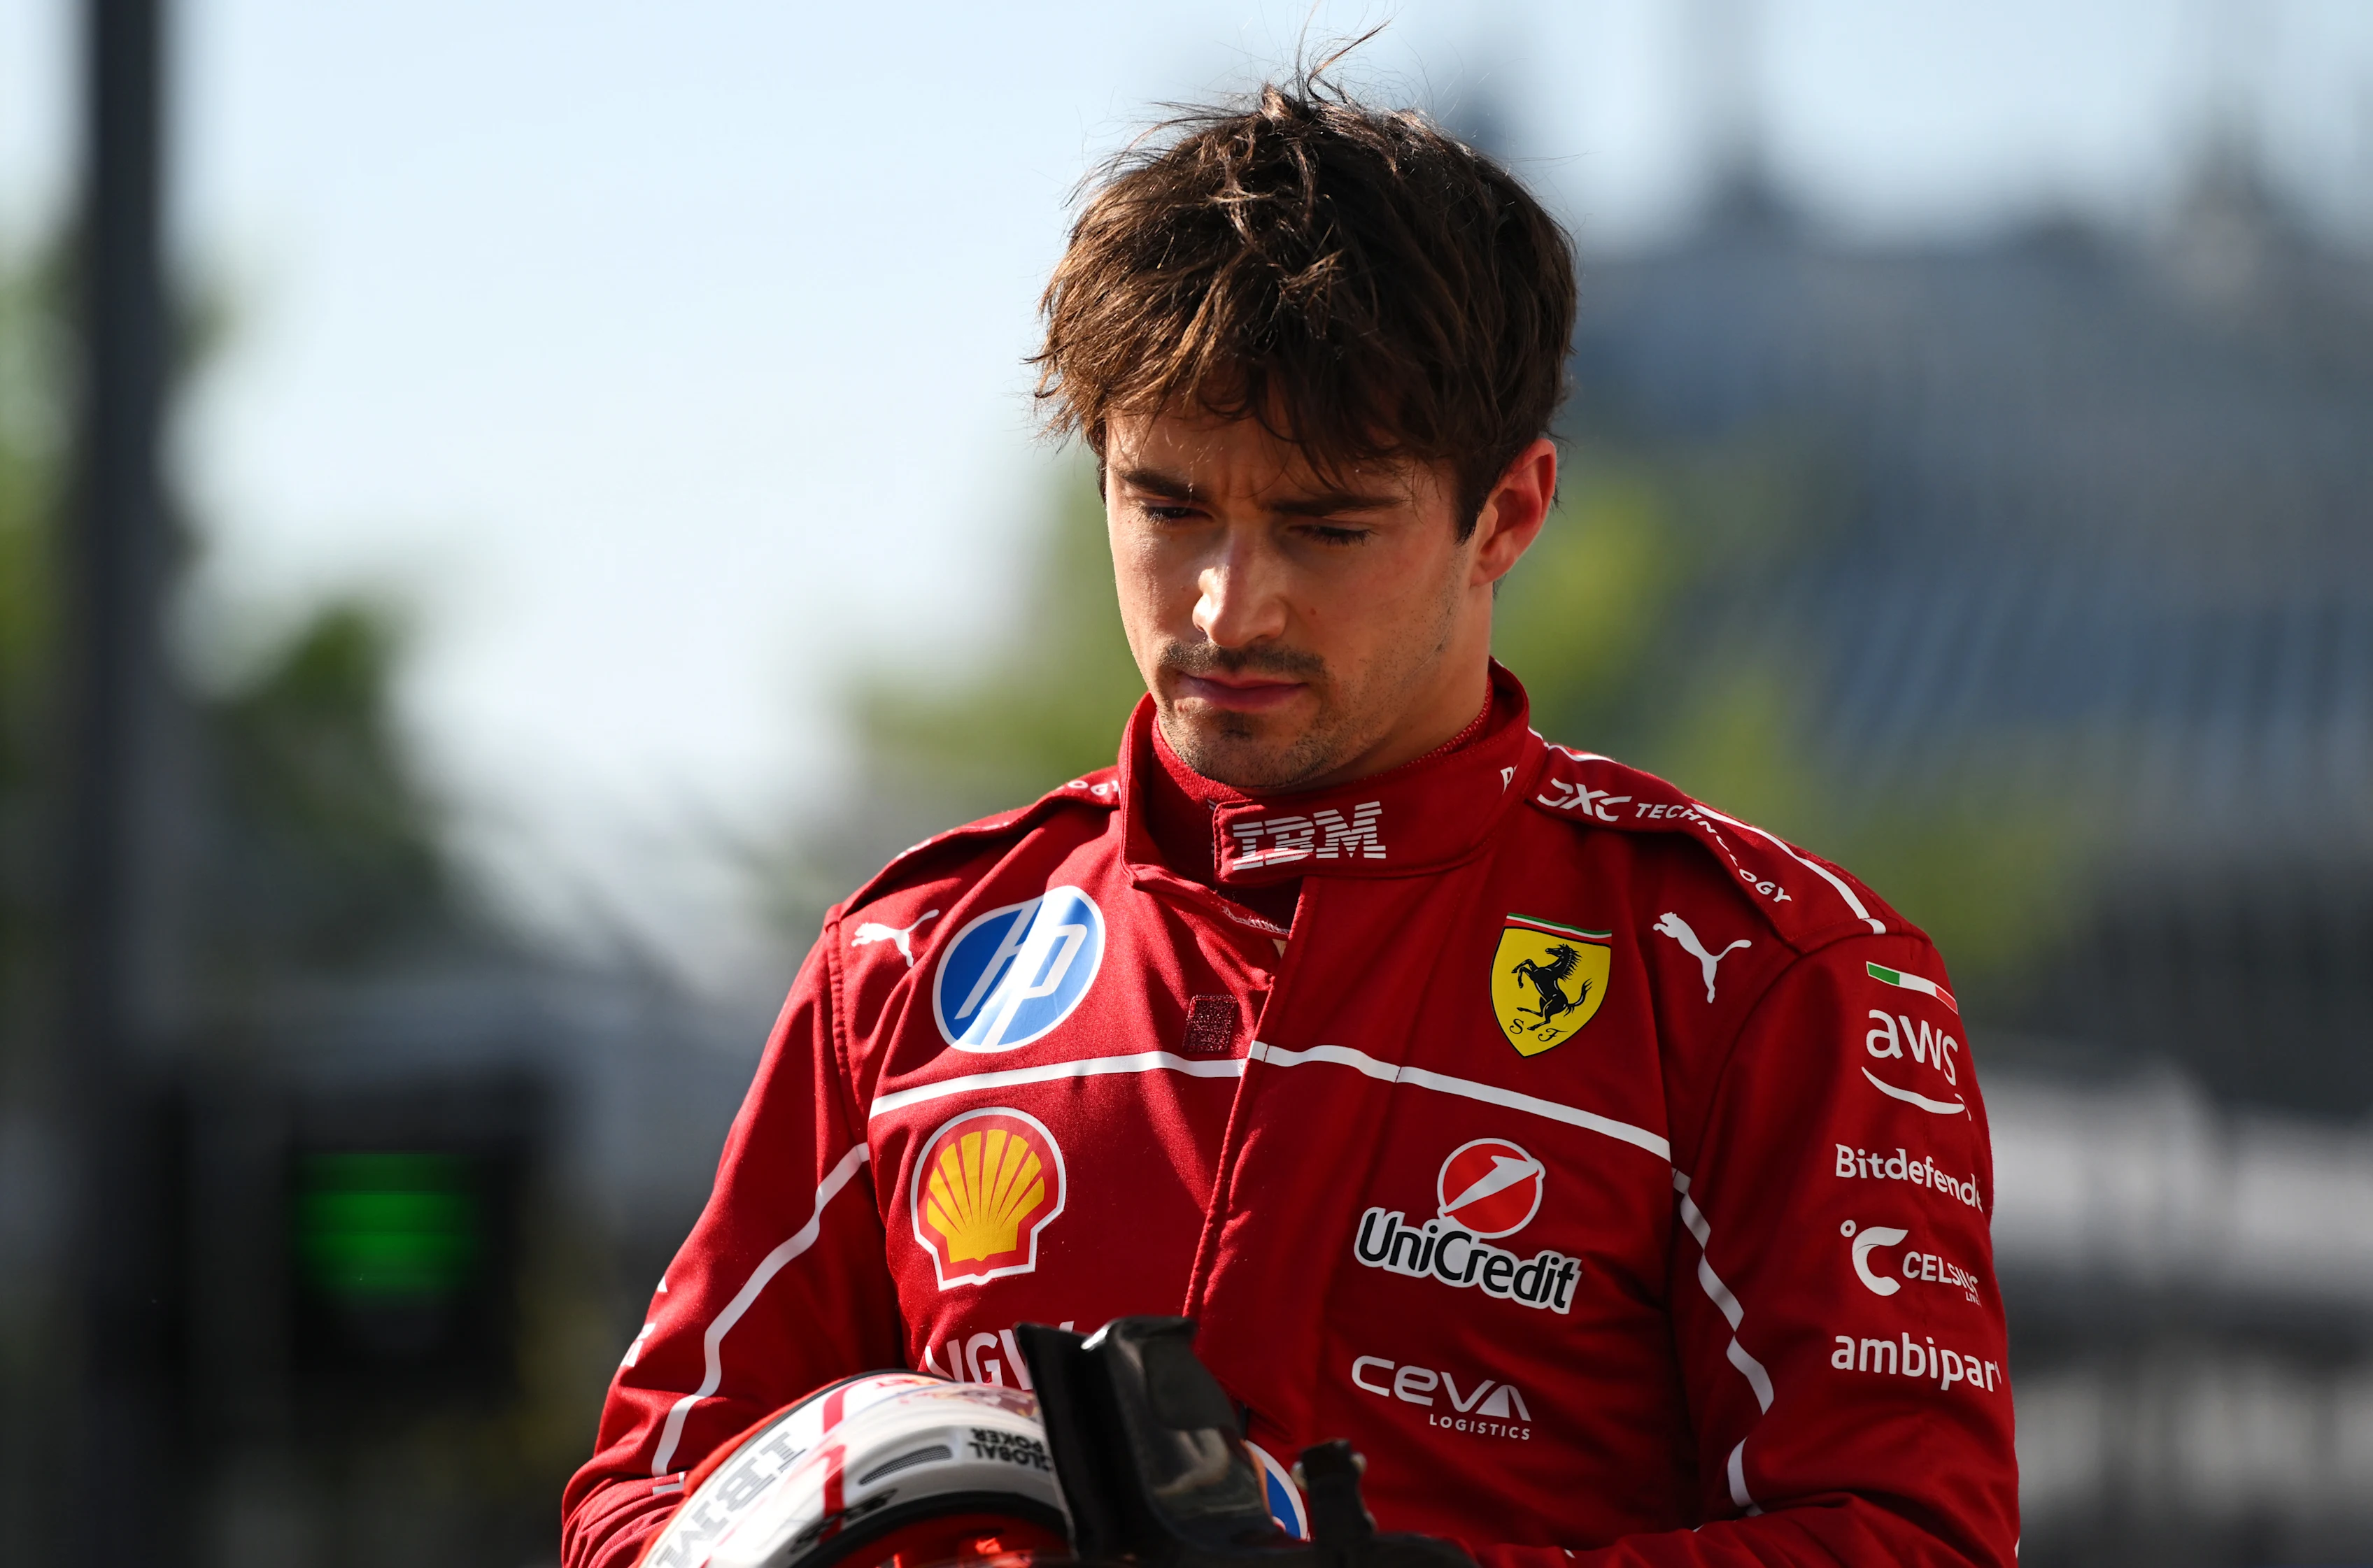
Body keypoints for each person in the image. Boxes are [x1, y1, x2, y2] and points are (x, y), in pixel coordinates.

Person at [562, 71, 2018, 1568]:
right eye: (1169, 505)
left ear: (1507, 514)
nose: (1224, 603)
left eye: (1325, 526)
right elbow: (644, 1506)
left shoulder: (1763, 969)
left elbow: (1916, 1539)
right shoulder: (909, 960)